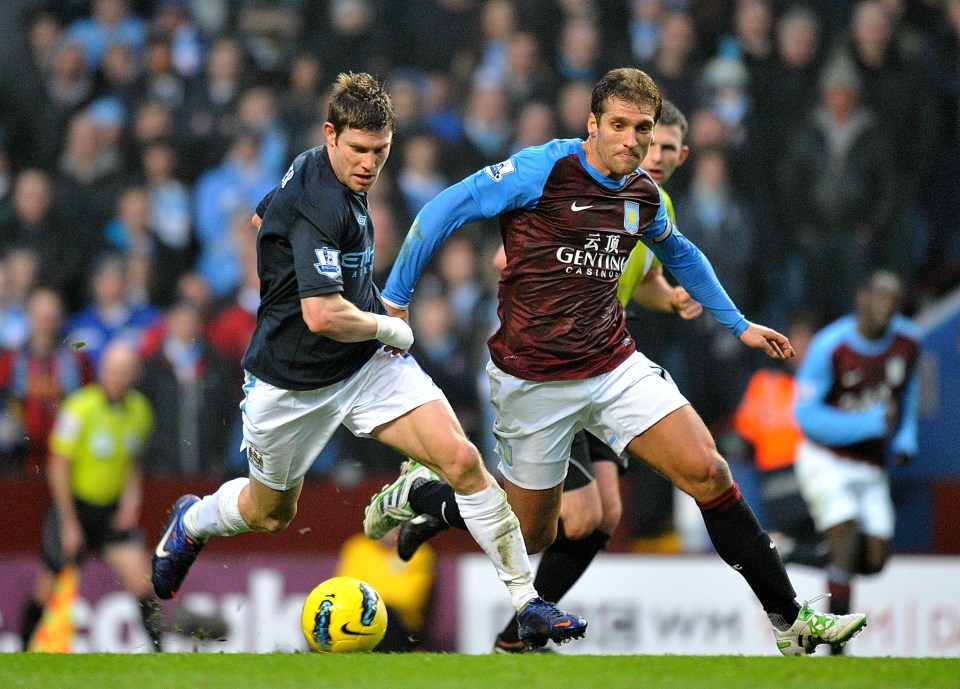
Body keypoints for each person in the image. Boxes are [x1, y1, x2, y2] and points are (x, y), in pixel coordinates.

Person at [364, 67, 867, 656]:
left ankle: (789, 620)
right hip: (533, 381)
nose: (633, 140)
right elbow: (439, 213)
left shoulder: (642, 193)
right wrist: (395, 297)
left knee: (708, 471)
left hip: (612, 365)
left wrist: (738, 324)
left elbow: (680, 253)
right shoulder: (541, 169)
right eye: (621, 126)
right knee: (533, 533)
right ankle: (424, 497)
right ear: (593, 124)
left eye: (644, 129)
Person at [150, 72, 586, 650]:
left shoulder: (312, 168)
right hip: (292, 381)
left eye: (380, 152)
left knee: (461, 459)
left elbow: (262, 220)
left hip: (364, 365)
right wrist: (389, 326)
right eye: (357, 150)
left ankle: (526, 602)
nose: (368, 164)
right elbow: (321, 317)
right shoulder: (319, 199)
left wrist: (289, 268)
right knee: (269, 513)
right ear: (330, 135)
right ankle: (193, 520)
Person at [394, 100, 703, 653]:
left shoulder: (651, 204)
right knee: (569, 519)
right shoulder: (574, 182)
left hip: (604, 361)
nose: (651, 155)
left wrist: (671, 297)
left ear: (680, 154)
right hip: (548, 360)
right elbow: (504, 259)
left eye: (663, 148)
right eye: (646, 143)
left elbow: (643, 277)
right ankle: (434, 502)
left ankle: (510, 623)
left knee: (603, 518)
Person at [793, 270, 919, 653]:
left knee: (875, 560)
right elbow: (805, 415)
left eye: (894, 299)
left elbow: (906, 395)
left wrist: (905, 438)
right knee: (846, 545)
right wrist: (868, 423)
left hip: (870, 466)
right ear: (862, 298)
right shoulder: (830, 345)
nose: (888, 306)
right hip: (825, 459)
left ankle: (790, 549)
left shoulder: (908, 342)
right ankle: (836, 651)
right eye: (881, 297)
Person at [19, 341, 160, 651]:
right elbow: (57, 467)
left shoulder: (140, 410)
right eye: (110, 371)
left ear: (133, 374)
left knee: (141, 578)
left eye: (123, 372)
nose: (116, 378)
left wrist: (130, 502)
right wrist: (69, 522)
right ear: (100, 372)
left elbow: (132, 461)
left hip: (109, 512)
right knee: (49, 584)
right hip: (75, 507)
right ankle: (21, 650)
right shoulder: (79, 409)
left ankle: (161, 655)